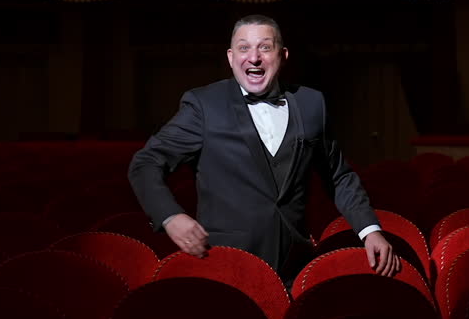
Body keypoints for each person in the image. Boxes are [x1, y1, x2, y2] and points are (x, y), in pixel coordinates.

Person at [128, 14, 399, 286]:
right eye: (244, 48)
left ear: (283, 55)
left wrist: (369, 230)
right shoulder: (203, 105)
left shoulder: (311, 103)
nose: (254, 58)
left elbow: (338, 176)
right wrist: (170, 216)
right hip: (226, 266)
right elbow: (146, 163)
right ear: (231, 57)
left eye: (265, 47)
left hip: (295, 265)